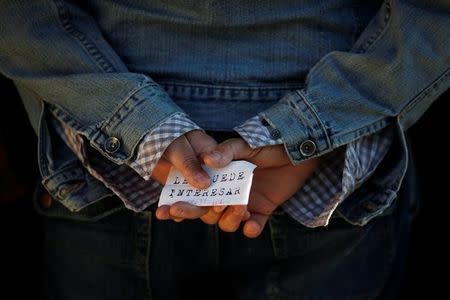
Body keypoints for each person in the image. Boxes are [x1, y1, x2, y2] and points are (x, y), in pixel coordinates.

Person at [0, 0, 448, 299]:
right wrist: (307, 135)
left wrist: (142, 130)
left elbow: (22, 17)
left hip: (111, 163)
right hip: (324, 167)